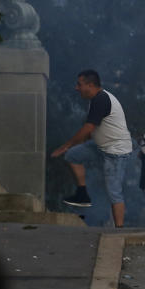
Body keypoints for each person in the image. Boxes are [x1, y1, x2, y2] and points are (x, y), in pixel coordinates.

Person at [51, 69, 133, 228]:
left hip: (116, 152)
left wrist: (65, 146)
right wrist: (77, 146)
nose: (76, 88)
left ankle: (119, 229)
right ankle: (82, 194)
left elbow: (88, 127)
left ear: (90, 85)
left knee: (114, 192)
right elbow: (93, 129)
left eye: (79, 84)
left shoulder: (101, 99)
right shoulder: (96, 100)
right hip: (100, 146)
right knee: (73, 155)